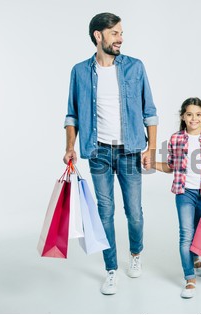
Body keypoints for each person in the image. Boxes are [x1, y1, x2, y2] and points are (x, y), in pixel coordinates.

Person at [63, 12, 158, 295]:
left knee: (134, 214)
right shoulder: (80, 71)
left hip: (130, 151)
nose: (120, 38)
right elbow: (72, 115)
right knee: (105, 214)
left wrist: (151, 149)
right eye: (115, 33)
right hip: (99, 152)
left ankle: (136, 254)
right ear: (98, 36)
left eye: (120, 33)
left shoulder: (135, 67)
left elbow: (150, 112)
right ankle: (111, 269)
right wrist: (70, 146)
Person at [153, 97, 201, 299]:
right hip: (184, 193)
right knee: (185, 236)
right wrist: (151, 164)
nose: (194, 118)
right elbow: (171, 166)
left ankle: (196, 259)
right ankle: (190, 278)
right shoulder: (176, 139)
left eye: (198, 114)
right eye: (189, 114)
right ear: (183, 116)